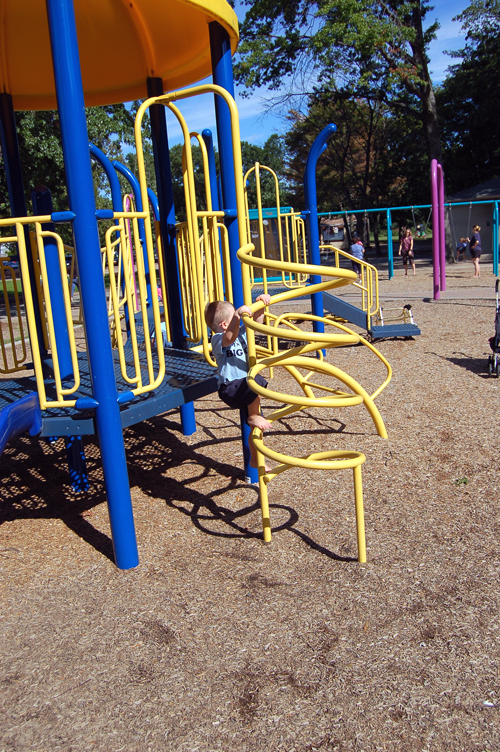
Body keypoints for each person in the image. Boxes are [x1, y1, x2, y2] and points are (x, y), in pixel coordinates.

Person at [205, 294, 272, 468]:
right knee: (254, 381)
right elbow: (229, 338)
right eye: (234, 316)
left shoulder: (241, 332)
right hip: (231, 388)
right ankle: (252, 417)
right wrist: (236, 316)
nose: (240, 318)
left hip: (244, 388)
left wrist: (260, 305)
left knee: (258, 429)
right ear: (225, 324)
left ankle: (256, 459)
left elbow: (256, 323)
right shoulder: (217, 339)